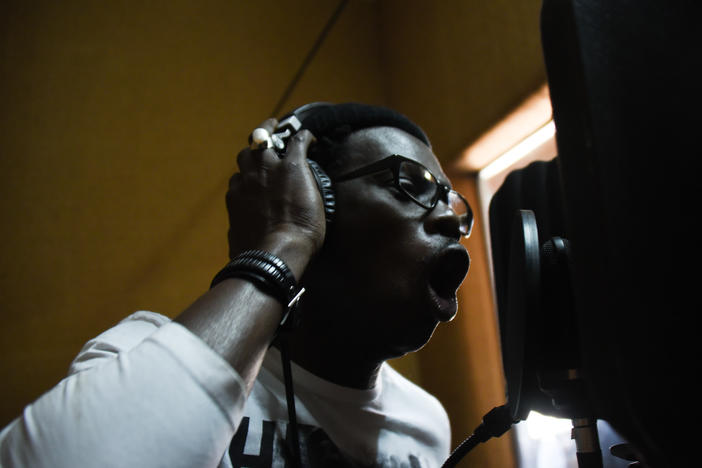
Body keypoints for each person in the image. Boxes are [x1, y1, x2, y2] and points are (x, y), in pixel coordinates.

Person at [0, 102, 473, 467]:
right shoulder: (136, 354)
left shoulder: (425, 424)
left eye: (454, 205)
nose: (451, 220)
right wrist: (283, 241)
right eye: (412, 183)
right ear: (312, 197)